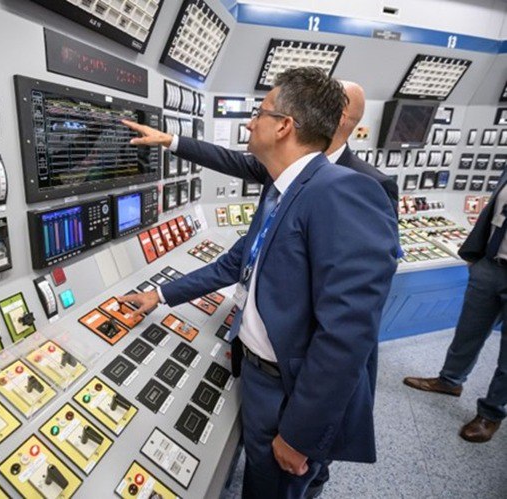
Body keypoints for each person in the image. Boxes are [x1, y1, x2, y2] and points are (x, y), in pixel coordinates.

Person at [120, 67, 399, 499]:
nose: (251, 123)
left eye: (260, 113)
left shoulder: (343, 191)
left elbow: (347, 334)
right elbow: (239, 261)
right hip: (257, 375)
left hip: (289, 392)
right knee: (260, 478)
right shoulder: (284, 186)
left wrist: (300, 434)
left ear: (284, 126)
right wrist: (159, 295)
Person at [122, 81, 398, 216]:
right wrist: (170, 140)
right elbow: (229, 160)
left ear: (338, 118)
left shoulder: (372, 184)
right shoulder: (283, 164)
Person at [403, 168, 507, 443]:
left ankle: (491, 413)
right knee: (468, 331)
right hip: (491, 265)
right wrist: (478, 258)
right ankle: (450, 381)